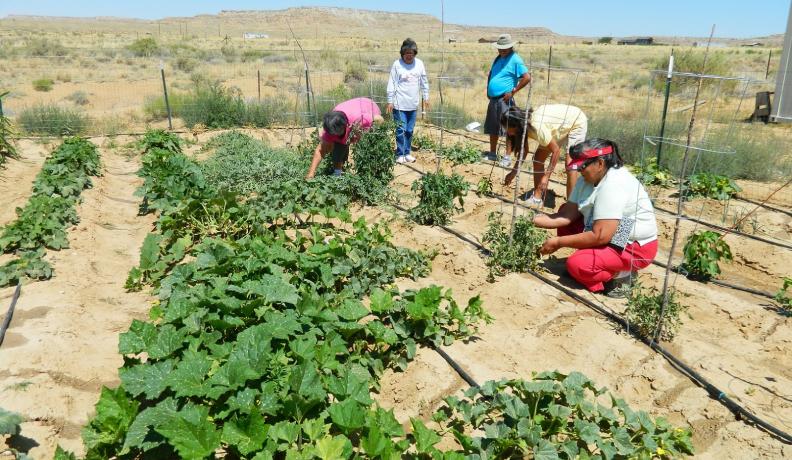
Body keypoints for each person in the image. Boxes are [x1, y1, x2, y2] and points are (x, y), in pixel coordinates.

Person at [532, 138, 658, 295]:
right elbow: (567, 214)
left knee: (577, 265)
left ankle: (621, 276)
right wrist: (532, 220)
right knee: (569, 218)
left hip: (631, 243)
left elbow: (601, 236)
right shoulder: (588, 179)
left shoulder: (614, 184)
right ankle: (597, 261)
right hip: (610, 230)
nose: (579, 171)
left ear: (600, 163)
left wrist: (558, 242)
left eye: (583, 166)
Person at [500, 104, 588, 205]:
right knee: (537, 159)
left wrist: (546, 177)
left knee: (570, 165)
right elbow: (524, 151)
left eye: (508, 129)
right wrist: (513, 173)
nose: (508, 132)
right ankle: (537, 198)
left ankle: (571, 205)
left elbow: (556, 151)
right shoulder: (522, 127)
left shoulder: (536, 127)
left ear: (516, 125)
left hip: (575, 121)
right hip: (557, 126)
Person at [305, 97, 384, 179]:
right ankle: (338, 175)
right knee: (338, 147)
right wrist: (311, 174)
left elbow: (380, 120)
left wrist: (364, 133)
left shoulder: (361, 119)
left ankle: (372, 175)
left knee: (368, 148)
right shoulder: (331, 125)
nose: (334, 137)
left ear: (345, 126)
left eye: (336, 134)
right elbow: (320, 150)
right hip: (351, 113)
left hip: (368, 107)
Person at [484, 34, 531, 167]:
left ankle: (507, 157)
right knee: (492, 127)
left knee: (508, 129)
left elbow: (526, 77)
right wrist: (488, 88)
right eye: (500, 48)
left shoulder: (515, 59)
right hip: (493, 99)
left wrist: (513, 91)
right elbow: (491, 74)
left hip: (505, 100)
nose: (502, 50)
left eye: (505, 48)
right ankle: (492, 153)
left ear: (511, 47)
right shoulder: (498, 58)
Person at [387, 38, 430, 164]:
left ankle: (407, 153)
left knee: (410, 130)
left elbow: (424, 81)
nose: (409, 56)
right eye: (406, 53)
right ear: (402, 53)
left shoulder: (420, 64)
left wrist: (426, 97)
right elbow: (392, 83)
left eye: (411, 53)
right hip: (399, 104)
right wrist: (390, 101)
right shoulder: (397, 65)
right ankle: (400, 153)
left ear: (415, 53)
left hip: (413, 104)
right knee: (401, 129)